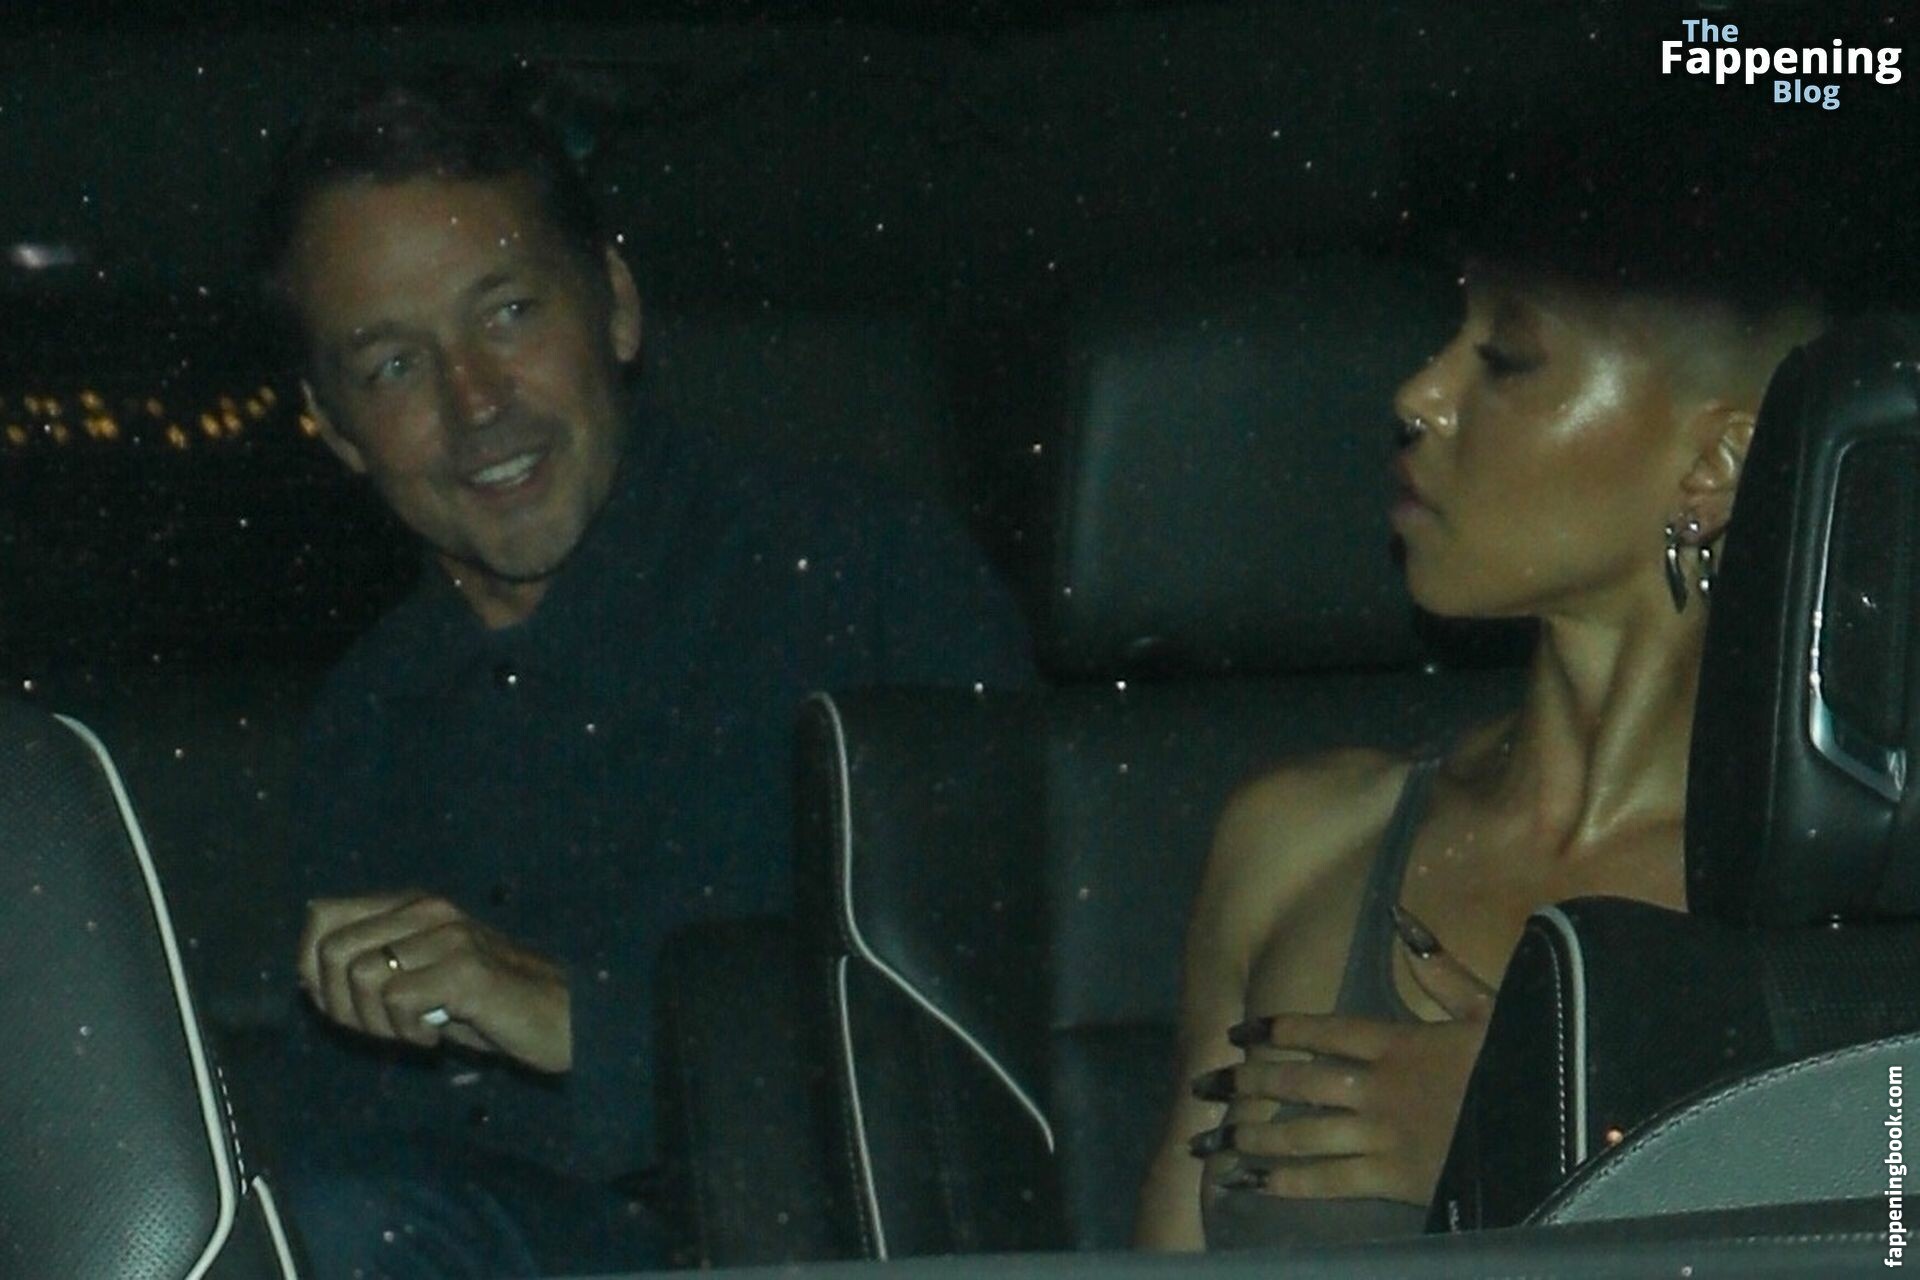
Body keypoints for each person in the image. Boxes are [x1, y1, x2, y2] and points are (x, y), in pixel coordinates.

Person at [251, 70, 1034, 1277]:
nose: (476, 403)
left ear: (615, 307)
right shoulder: (365, 717)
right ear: (337, 429)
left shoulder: (868, 580)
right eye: (394, 366)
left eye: (510, 313)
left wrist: (585, 1020)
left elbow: (993, 1053)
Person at [1132, 167, 1828, 1248]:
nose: (1418, 395)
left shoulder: (1842, 910)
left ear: (1714, 465)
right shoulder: (1299, 845)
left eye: (1504, 359)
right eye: (1446, 340)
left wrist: (1566, 1138)